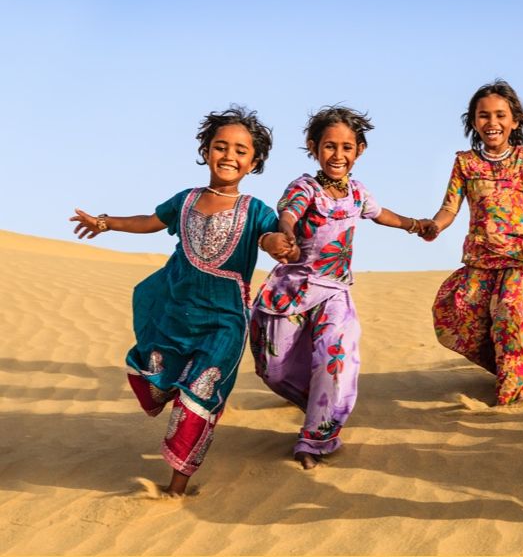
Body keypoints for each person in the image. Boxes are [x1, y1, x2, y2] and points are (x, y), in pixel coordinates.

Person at [70, 106, 292, 495]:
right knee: (154, 377)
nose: (229, 156)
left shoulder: (257, 210)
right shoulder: (185, 200)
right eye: (220, 146)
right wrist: (106, 222)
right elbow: (149, 221)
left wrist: (277, 244)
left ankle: (176, 486)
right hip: (175, 312)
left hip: (224, 322)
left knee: (201, 393)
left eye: (241, 151)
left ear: (254, 162)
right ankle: (170, 390)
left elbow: (269, 237)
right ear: (205, 151)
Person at [249, 106, 435, 470]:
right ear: (313, 147)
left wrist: (415, 225)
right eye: (330, 146)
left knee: (337, 358)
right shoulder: (304, 187)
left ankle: (317, 437)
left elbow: (382, 215)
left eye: (347, 147)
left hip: (334, 291)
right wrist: (285, 232)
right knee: (274, 368)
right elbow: (289, 211)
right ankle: (320, 406)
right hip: (294, 289)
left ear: (359, 151)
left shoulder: (358, 193)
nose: (338, 155)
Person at [423, 80, 523, 406]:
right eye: (483, 116)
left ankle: (513, 396)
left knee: (507, 313)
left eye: (500, 115)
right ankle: (516, 369)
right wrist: (432, 226)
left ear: (514, 121)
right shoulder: (464, 163)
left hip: (520, 255)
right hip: (482, 256)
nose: (492, 123)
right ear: (473, 121)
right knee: (459, 309)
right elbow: (450, 207)